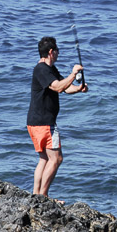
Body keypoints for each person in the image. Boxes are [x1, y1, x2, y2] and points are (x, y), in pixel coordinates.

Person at [26, 36, 87, 202]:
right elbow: (58, 87)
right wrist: (73, 74)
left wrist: (79, 88)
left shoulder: (50, 69)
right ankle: (43, 197)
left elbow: (65, 88)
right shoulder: (41, 69)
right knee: (56, 158)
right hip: (44, 122)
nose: (59, 53)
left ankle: (36, 196)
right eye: (57, 50)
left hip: (36, 122)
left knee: (44, 159)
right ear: (51, 52)